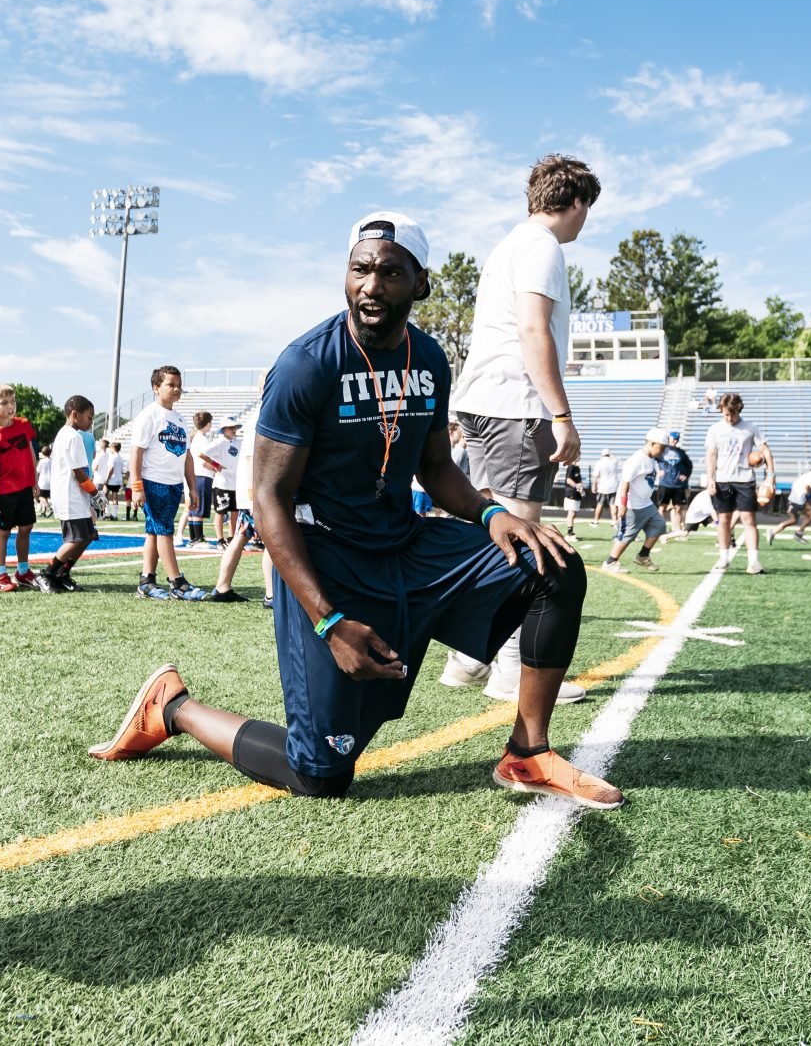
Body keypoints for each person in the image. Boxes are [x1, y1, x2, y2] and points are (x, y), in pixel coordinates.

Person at [88, 212, 623, 810]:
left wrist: (490, 514)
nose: (371, 285)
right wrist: (327, 621)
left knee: (551, 565)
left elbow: (437, 467)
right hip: (329, 562)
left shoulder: (430, 358)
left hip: (403, 542)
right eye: (360, 269)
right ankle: (175, 707)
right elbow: (269, 500)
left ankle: (528, 752)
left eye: (390, 273)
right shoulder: (306, 364)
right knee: (321, 774)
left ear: (420, 284)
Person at [444, 154, 601, 703]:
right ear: (576, 200)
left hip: (484, 401)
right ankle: (511, 671)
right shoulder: (543, 247)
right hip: (517, 403)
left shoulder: (509, 244)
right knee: (526, 541)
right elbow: (535, 330)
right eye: (589, 208)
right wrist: (562, 415)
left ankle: (466, 658)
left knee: (495, 531)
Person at [127, 365, 201, 600]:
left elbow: (187, 456)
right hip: (154, 481)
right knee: (165, 532)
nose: (177, 389)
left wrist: (192, 487)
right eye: (171, 384)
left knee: (154, 532)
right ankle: (177, 583)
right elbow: (136, 453)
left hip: (173, 483)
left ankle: (146, 581)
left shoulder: (179, 418)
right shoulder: (148, 415)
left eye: (179, 385)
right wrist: (137, 486)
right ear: (156, 387)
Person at [0, 384, 41, 592]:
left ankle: (23, 571)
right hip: (4, 491)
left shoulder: (23, 424)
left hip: (24, 488)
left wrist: (34, 480)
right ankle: (0, 575)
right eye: (4, 403)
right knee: (3, 531)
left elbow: (32, 453)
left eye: (12, 401)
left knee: (26, 527)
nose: (10, 406)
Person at [704, 393, 771, 575]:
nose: (728, 418)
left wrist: (770, 475)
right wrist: (710, 478)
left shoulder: (750, 428)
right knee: (724, 520)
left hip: (745, 480)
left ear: (739, 410)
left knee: (749, 520)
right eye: (725, 414)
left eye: (731, 414)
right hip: (722, 480)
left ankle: (754, 562)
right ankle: (724, 558)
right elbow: (711, 455)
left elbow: (764, 449)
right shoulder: (715, 429)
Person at [40, 395, 100, 592]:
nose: (91, 422)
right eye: (89, 417)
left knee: (89, 535)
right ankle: (47, 574)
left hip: (75, 495)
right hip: (70, 496)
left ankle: (62, 573)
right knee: (75, 539)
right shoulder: (73, 436)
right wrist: (95, 493)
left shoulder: (67, 434)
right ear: (75, 415)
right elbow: (78, 471)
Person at [601, 429, 666, 572]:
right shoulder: (637, 459)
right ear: (652, 443)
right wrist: (623, 504)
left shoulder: (652, 459)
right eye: (662, 447)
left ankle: (642, 556)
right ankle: (610, 563)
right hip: (632, 504)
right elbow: (625, 483)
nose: (663, 451)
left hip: (646, 503)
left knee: (659, 525)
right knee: (627, 535)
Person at [205, 415, 246, 563]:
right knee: (220, 512)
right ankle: (220, 539)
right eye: (230, 428)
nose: (233, 430)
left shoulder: (239, 443)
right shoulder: (219, 443)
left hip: (236, 484)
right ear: (224, 429)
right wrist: (216, 466)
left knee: (235, 513)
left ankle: (231, 537)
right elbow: (202, 454)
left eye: (234, 427)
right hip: (222, 483)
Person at [768, 460, 811, 545]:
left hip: (798, 498)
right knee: (795, 519)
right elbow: (807, 486)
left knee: (809, 515)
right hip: (797, 499)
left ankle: (797, 533)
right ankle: (774, 531)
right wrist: (809, 495)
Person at [185, 410, 218, 547]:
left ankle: (194, 538)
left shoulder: (196, 438)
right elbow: (205, 460)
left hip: (195, 474)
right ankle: (198, 538)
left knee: (194, 508)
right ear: (207, 423)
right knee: (199, 507)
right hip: (202, 475)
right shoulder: (203, 439)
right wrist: (217, 467)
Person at [652, 431, 692, 533]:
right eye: (673, 438)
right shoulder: (662, 450)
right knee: (662, 508)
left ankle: (677, 530)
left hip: (678, 485)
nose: (674, 441)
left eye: (676, 439)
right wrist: (657, 471)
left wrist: (686, 475)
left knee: (678, 508)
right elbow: (651, 459)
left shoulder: (681, 453)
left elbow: (689, 465)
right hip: (665, 483)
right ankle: (661, 529)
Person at [591, 448, 619, 522]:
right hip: (613, 486)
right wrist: (611, 455)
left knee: (600, 504)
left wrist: (594, 486)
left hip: (602, 486)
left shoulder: (599, 463)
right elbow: (615, 458)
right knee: (612, 504)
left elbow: (595, 476)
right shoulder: (614, 462)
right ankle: (614, 521)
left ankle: (596, 520)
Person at [559, 460, 585, 536]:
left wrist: (581, 489)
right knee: (571, 512)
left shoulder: (577, 468)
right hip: (571, 493)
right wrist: (576, 486)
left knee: (574, 513)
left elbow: (579, 481)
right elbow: (568, 480)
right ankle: (569, 533)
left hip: (577, 494)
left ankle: (571, 531)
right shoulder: (571, 467)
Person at [35, 444, 54, 519]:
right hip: (51, 481)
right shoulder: (52, 461)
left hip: (43, 481)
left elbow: (37, 471)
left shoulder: (42, 461)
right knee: (46, 496)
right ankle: (43, 511)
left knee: (41, 496)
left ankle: (49, 508)